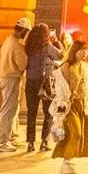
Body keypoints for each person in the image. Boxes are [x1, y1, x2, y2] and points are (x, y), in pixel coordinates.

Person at [50, 38, 88, 174]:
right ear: (75, 51)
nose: (84, 53)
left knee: (78, 134)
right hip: (70, 106)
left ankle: (68, 163)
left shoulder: (85, 67)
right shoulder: (65, 68)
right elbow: (60, 89)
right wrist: (62, 109)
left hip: (82, 104)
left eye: (86, 50)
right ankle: (66, 163)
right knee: (75, 133)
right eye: (82, 50)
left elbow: (86, 84)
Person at [25, 24, 61, 152]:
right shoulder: (48, 48)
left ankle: (30, 142)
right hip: (45, 84)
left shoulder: (29, 48)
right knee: (49, 113)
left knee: (31, 113)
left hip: (30, 82)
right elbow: (61, 56)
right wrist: (56, 41)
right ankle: (44, 141)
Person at [0, 15, 29, 150]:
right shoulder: (16, 45)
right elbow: (23, 64)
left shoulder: (8, 41)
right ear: (23, 31)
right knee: (8, 110)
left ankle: (12, 137)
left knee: (13, 109)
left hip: (7, 77)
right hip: (11, 78)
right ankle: (3, 141)